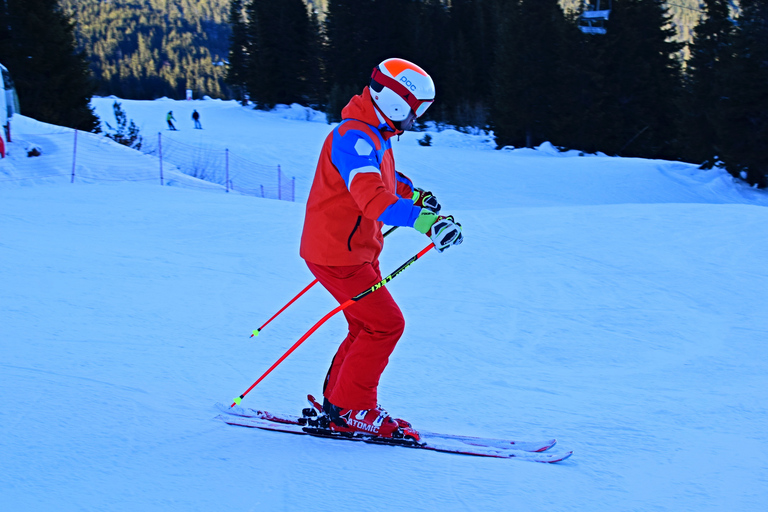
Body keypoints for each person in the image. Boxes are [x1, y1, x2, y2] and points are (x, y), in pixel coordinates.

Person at [300, 58, 463, 439]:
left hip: (352, 251)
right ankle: (354, 410)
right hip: (337, 255)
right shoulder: (354, 137)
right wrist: (427, 223)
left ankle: (339, 404)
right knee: (385, 324)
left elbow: (385, 177)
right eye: (415, 109)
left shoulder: (373, 133)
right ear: (395, 102)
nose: (416, 119)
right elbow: (372, 198)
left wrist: (416, 196)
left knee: (365, 323)